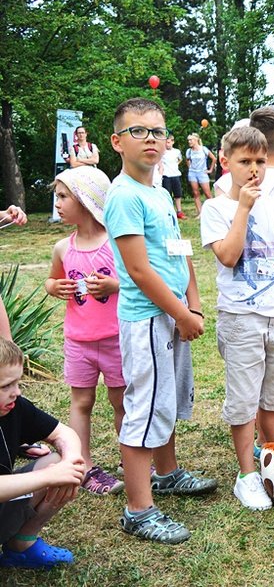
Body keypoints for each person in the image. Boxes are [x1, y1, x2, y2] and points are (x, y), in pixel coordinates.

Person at [105, 98, 215, 545]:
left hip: (172, 313)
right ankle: (139, 509)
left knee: (165, 403)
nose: (150, 139)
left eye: (157, 131)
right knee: (144, 410)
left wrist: (194, 303)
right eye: (138, 131)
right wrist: (180, 312)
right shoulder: (124, 196)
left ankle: (166, 474)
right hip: (148, 318)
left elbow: (177, 251)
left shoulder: (160, 193)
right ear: (117, 142)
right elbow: (137, 271)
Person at [200, 127, 274, 510]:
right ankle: (246, 474)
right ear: (226, 163)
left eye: (260, 161)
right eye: (245, 161)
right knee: (245, 399)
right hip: (241, 316)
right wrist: (242, 207)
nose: (254, 170)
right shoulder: (215, 209)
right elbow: (227, 256)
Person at [43, 167, 125, 495]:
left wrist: (112, 285)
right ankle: (85, 467)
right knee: (81, 401)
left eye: (63, 197)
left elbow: (134, 282)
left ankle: (131, 457)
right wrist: (55, 287)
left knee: (122, 402)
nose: (57, 203)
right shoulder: (63, 247)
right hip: (78, 340)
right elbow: (51, 279)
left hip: (116, 338)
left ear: (87, 200)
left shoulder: (116, 244)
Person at [0, 339, 85, 570]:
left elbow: (63, 433)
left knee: (61, 462)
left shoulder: (14, 406)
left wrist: (70, 464)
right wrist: (50, 477)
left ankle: (21, 546)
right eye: (6, 386)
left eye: (17, 383)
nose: (16, 392)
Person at [185, 133, 216, 215]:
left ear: (196, 140)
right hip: (192, 173)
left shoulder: (203, 149)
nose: (189, 141)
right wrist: (190, 168)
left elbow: (214, 158)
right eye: (188, 140)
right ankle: (200, 213)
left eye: (190, 140)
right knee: (195, 193)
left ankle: (213, 212)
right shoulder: (189, 151)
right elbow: (187, 160)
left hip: (202, 173)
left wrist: (210, 170)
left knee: (208, 194)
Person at [160, 136, 186, 219]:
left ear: (172, 142)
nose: (167, 144)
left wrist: (175, 165)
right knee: (167, 194)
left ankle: (179, 211)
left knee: (177, 194)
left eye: (168, 142)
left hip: (175, 175)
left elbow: (180, 159)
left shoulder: (176, 151)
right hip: (166, 175)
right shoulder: (162, 152)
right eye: (166, 143)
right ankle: (169, 212)